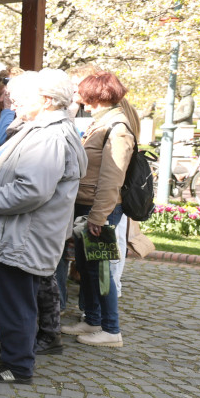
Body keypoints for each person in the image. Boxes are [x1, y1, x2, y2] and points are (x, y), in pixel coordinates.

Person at [0, 69, 86, 383]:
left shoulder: (48, 136)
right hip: (21, 233)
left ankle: (17, 366)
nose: (11, 103)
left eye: (19, 98)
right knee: (13, 297)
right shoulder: (44, 130)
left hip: (23, 235)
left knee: (15, 299)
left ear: (45, 100)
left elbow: (31, 191)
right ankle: (15, 354)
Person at [62, 71, 138, 348]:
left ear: (95, 94)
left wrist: (98, 215)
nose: (77, 95)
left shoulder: (117, 128)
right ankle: (93, 319)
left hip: (101, 209)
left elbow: (112, 178)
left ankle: (111, 329)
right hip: (87, 206)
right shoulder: (102, 123)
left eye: (81, 91)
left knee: (101, 270)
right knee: (86, 267)